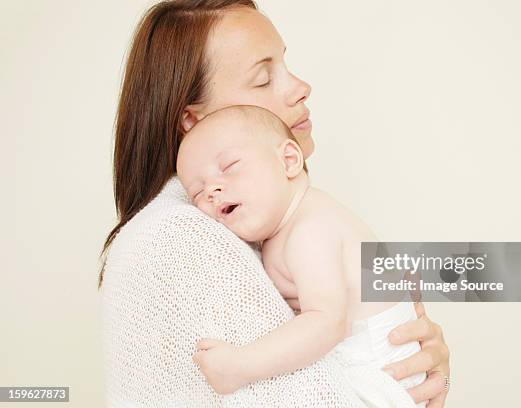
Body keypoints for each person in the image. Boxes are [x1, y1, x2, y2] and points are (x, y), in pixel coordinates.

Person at [99, 1, 450, 406]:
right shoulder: (181, 238)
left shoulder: (261, 219)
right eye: (264, 78)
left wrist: (419, 371)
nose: (301, 86)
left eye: (285, 64)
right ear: (193, 120)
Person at [177, 105, 427, 407]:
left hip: (377, 372)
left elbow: (328, 323)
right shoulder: (283, 226)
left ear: (289, 161)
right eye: (197, 193)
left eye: (229, 166)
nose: (213, 190)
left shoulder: (310, 230)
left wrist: (240, 366)